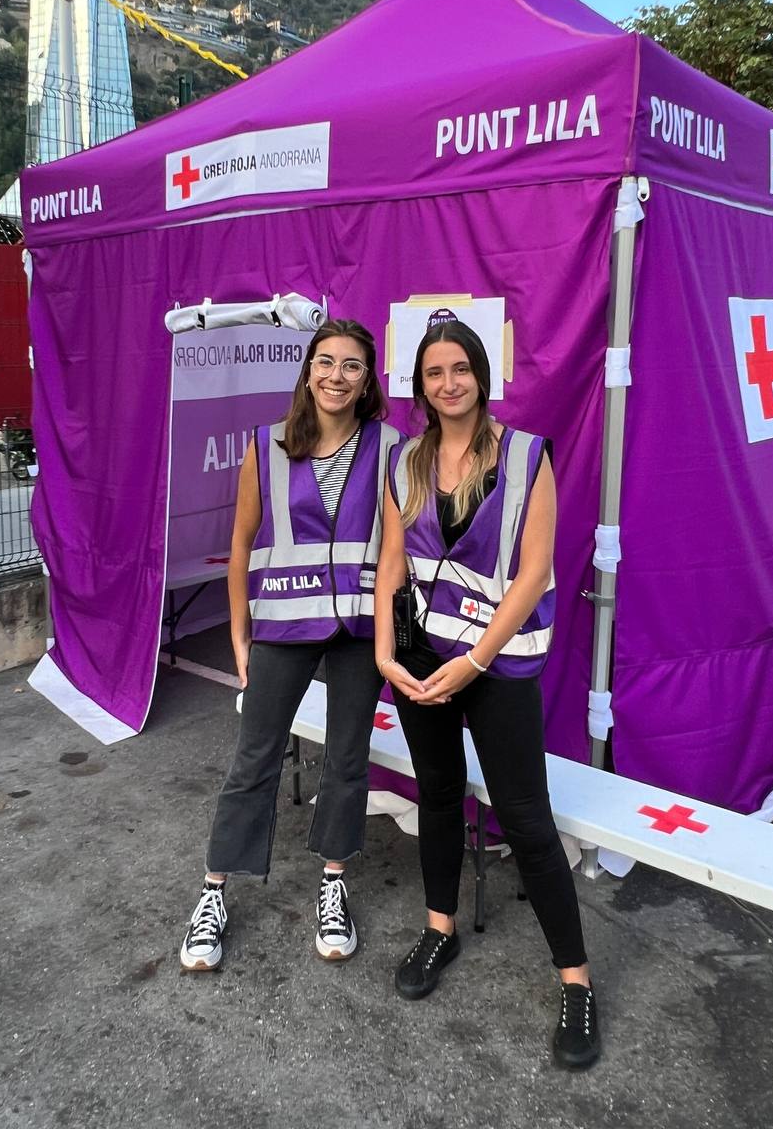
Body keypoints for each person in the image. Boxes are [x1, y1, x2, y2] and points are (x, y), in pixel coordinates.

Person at [373, 320, 601, 1069]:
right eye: (434, 371)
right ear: (421, 385)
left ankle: (576, 981)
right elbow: (393, 566)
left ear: (481, 375)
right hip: (420, 662)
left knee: (528, 821)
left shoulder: (527, 456)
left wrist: (473, 660)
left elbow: (534, 572)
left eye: (460, 368)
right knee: (437, 795)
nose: (448, 383)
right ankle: (439, 930)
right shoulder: (406, 462)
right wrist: (385, 651)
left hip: (494, 667)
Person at [180, 319, 400, 971]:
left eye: (352, 365)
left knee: (347, 760)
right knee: (254, 760)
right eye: (325, 361)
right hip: (280, 626)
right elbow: (242, 544)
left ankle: (334, 882)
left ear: (367, 380)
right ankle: (214, 890)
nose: (336, 375)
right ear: (308, 370)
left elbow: (396, 552)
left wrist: (389, 641)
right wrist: (239, 637)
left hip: (359, 630)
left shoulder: (392, 448)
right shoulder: (265, 443)